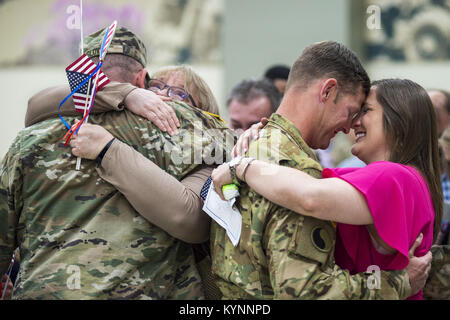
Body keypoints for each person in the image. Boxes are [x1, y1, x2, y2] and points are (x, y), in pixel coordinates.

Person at [0, 26, 232, 299]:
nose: (165, 97)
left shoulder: (28, 141)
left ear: (77, 78)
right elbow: (196, 220)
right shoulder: (179, 129)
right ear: (142, 78)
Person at [209, 41, 432, 299]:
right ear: (327, 91)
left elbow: (312, 195)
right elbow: (304, 292)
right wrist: (399, 283)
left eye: (364, 113)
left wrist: (242, 165)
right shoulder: (297, 168)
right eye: (352, 111)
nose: (351, 126)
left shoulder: (257, 150)